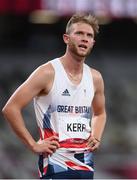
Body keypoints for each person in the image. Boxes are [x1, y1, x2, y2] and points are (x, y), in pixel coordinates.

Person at [2, 13, 106, 179]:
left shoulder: (95, 78)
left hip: (85, 164)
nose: (85, 38)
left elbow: (100, 113)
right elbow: (10, 108)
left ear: (93, 42)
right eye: (79, 33)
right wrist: (33, 144)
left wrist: (96, 137)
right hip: (55, 164)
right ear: (66, 38)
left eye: (89, 35)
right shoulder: (47, 72)